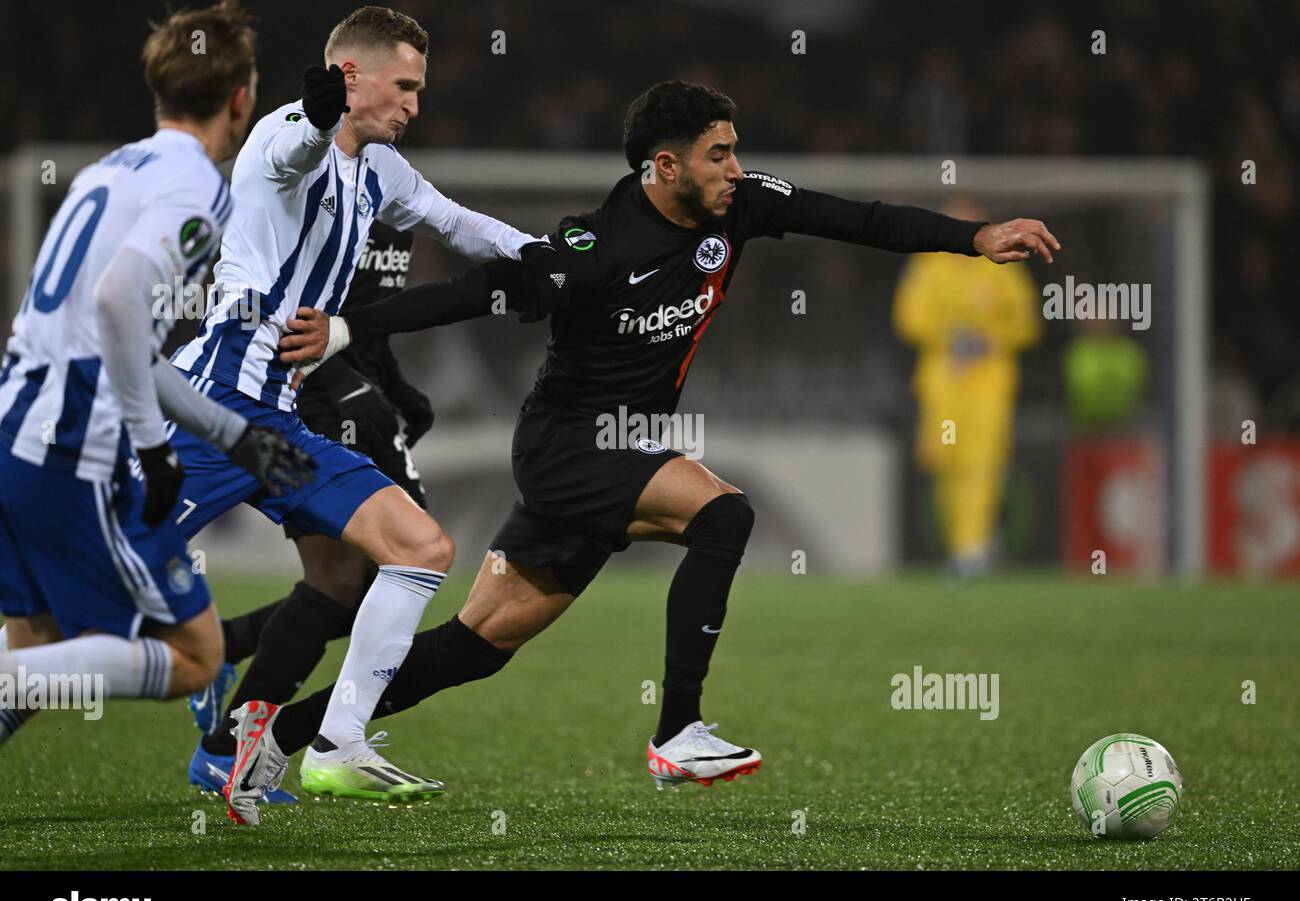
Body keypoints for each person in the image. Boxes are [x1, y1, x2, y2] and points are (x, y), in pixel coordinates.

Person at [229, 79, 1059, 820]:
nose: (736, 168)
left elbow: (858, 219)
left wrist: (975, 237)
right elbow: (477, 291)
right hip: (566, 444)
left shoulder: (741, 206)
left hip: (614, 450)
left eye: (736, 151)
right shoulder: (596, 247)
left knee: (474, 648)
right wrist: (348, 327)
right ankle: (677, 730)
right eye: (718, 154)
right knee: (725, 514)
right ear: (665, 166)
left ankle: (276, 738)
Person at [164, 6, 539, 823]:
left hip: (280, 422)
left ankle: (330, 742)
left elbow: (455, 222)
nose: (414, 105)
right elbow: (299, 145)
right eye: (403, 87)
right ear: (351, 78)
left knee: (411, 551)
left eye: (419, 89)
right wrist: (318, 111)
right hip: (214, 408)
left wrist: (543, 255)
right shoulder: (277, 139)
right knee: (88, 600)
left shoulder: (382, 171)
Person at [0, 1, 314, 744]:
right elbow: (118, 302)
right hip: (73, 446)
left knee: (40, 644)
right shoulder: (198, 186)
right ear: (242, 97)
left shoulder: (109, 170)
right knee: (196, 656)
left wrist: (231, 432)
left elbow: (126, 339)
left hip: (17, 424)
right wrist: (150, 442)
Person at [186, 221, 434, 804]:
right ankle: (227, 750)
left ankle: (223, 662)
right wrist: (348, 385)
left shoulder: (392, 200)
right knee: (365, 574)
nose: (406, 121)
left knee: (365, 582)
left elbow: (367, 316)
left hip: (356, 394)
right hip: (302, 399)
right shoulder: (319, 188)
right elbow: (286, 306)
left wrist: (392, 384)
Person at [893, 196, 1042, 577]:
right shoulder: (928, 265)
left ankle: (971, 548)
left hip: (989, 380)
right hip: (943, 380)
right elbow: (908, 320)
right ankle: (965, 544)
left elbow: (1026, 325)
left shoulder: (1001, 266)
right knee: (945, 460)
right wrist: (949, 336)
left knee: (982, 459)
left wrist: (991, 338)